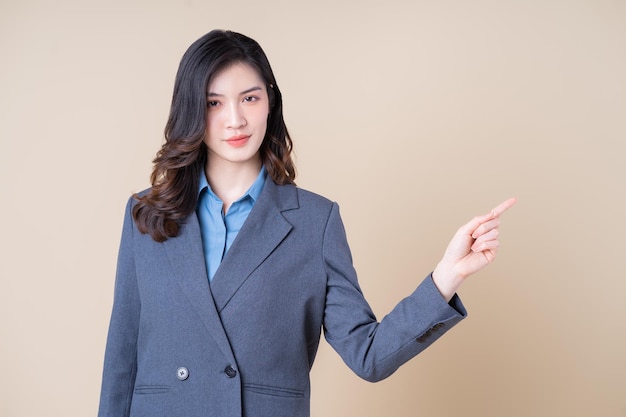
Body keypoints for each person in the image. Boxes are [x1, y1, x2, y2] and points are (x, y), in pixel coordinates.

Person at [97, 29, 516, 417]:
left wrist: (447, 276)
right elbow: (122, 361)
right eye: (213, 102)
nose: (235, 120)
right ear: (191, 108)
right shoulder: (146, 215)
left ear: (271, 102)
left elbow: (367, 355)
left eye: (249, 98)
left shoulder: (315, 222)